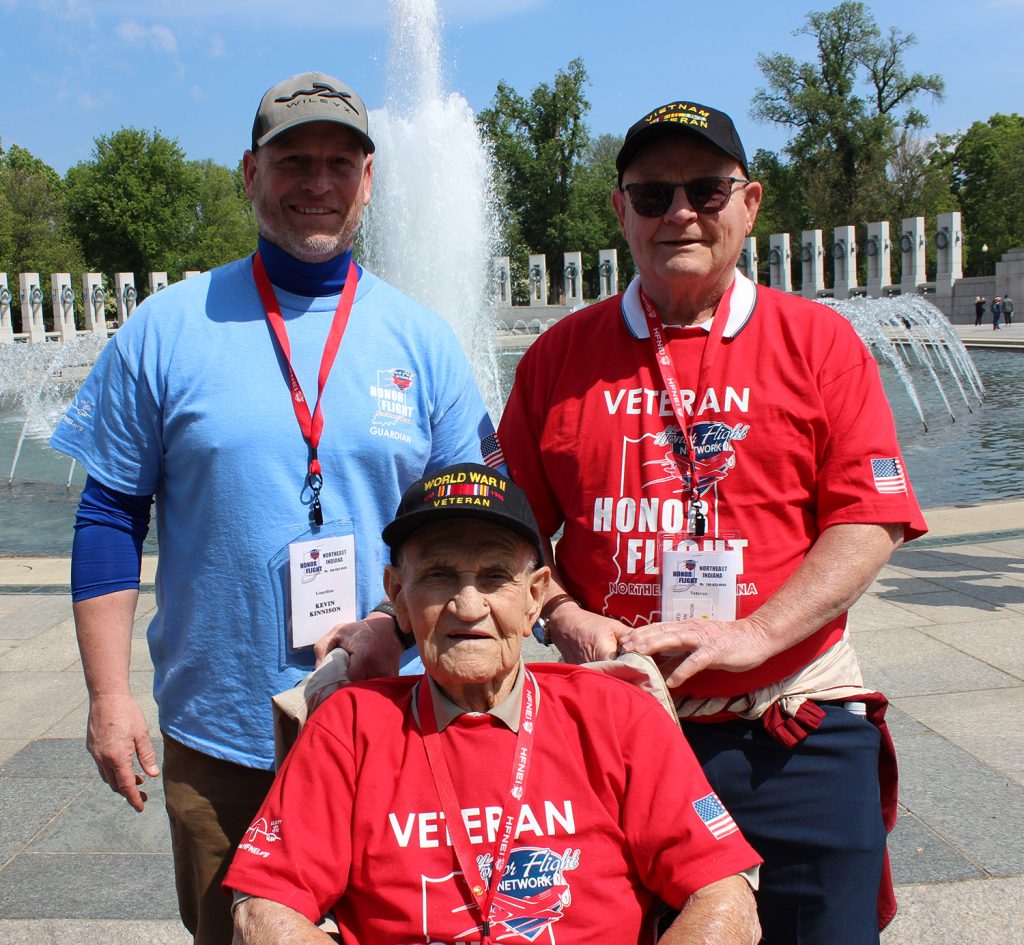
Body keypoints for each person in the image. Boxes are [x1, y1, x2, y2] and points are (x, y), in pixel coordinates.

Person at [49, 71, 497, 945]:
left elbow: (479, 528)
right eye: (294, 160)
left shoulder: (422, 339)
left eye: (340, 162)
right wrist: (107, 696)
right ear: (250, 174)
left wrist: (404, 630)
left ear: (369, 181)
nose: (317, 184)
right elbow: (108, 516)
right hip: (226, 735)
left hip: (399, 719)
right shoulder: (166, 328)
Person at [495, 100, 927, 945]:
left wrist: (757, 633)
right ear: (621, 211)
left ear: (751, 202)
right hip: (618, 726)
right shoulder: (559, 356)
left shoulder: (821, 341)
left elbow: (869, 516)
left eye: (706, 189)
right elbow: (506, 535)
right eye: (652, 196)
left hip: (789, 717)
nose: (680, 213)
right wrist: (560, 612)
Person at [225, 463, 762, 945]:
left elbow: (723, 893)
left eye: (494, 577)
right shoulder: (352, 725)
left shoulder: (616, 715)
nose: (467, 605)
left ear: (534, 599)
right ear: (399, 597)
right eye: (437, 576)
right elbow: (265, 907)